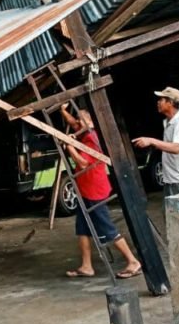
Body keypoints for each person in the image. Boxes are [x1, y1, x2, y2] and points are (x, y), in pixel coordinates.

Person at [59, 105, 142, 280]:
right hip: (85, 190)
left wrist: (69, 146)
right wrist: (63, 110)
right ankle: (86, 266)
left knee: (107, 228)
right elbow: (73, 122)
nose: (76, 123)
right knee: (82, 229)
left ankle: (133, 261)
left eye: (81, 120)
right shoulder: (83, 131)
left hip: (94, 190)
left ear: (89, 122)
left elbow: (82, 163)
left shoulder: (91, 139)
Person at [133, 87, 179, 198]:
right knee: (171, 214)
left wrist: (151, 140)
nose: (158, 102)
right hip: (171, 179)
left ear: (170, 103)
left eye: (161, 99)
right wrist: (154, 146)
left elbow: (177, 148)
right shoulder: (169, 121)